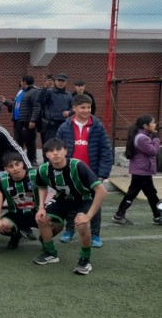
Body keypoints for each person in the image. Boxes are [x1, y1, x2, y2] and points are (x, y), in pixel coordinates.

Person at [33, 138, 107, 275]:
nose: (55, 153)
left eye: (58, 150)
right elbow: (42, 186)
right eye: (50, 151)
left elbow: (102, 191)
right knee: (41, 218)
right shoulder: (43, 169)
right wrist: (41, 207)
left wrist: (88, 216)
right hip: (63, 198)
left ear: (65, 151)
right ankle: (51, 253)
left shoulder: (78, 166)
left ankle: (85, 260)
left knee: (81, 224)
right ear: (46, 154)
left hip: (84, 198)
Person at [55, 94, 112, 248]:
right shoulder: (64, 127)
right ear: (74, 108)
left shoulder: (97, 126)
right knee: (71, 202)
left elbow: (106, 151)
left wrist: (102, 174)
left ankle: (95, 235)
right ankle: (69, 230)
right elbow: (57, 148)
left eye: (89, 107)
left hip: (92, 174)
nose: (87, 110)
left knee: (94, 203)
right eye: (83, 107)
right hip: (71, 173)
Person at [112, 115, 162, 225]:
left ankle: (158, 215)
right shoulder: (142, 138)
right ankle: (119, 215)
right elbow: (152, 151)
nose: (155, 125)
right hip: (141, 171)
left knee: (150, 193)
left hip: (143, 170)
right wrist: (156, 139)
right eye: (153, 123)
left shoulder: (142, 136)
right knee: (134, 194)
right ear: (145, 126)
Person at [0, 152, 40, 250]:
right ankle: (16, 235)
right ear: (5, 169)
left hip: (36, 213)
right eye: (10, 166)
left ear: (23, 164)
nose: (15, 168)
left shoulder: (35, 175)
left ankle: (45, 239)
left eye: (17, 164)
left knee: (55, 225)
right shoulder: (3, 180)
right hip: (15, 214)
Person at [0, 75, 42, 166]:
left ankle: (32, 160)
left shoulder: (34, 92)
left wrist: (33, 120)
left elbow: (36, 107)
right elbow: (16, 105)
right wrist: (5, 102)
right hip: (18, 122)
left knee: (29, 142)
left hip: (27, 122)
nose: (20, 82)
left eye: (21, 81)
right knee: (18, 142)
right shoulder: (21, 92)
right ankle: (19, 159)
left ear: (25, 82)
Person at [40, 73, 72, 158]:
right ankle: (47, 166)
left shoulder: (68, 95)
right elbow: (40, 100)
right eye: (58, 80)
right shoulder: (49, 92)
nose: (60, 83)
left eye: (62, 81)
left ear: (66, 83)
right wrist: (45, 88)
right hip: (51, 125)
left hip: (64, 124)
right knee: (49, 146)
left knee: (62, 146)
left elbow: (73, 108)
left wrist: (69, 112)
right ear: (55, 82)